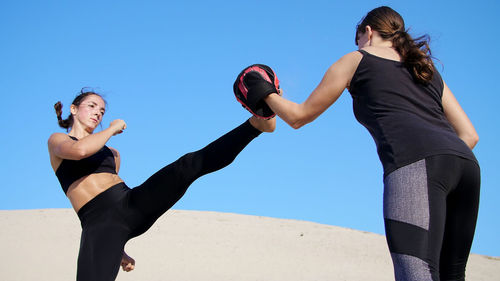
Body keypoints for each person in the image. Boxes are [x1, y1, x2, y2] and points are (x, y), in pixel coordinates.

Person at [250, 6, 480, 281]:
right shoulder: (425, 68)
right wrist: (444, 159)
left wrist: (264, 92)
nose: (357, 45)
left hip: (416, 163)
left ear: (367, 33)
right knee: (452, 275)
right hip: (467, 168)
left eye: (357, 39)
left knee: (416, 273)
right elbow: (470, 135)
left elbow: (299, 116)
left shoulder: (356, 60)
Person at [48, 89, 276, 281]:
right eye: (92, 106)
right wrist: (111, 128)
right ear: (74, 109)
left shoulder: (112, 154)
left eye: (102, 110)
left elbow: (111, 192)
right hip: (99, 225)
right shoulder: (58, 140)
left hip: (130, 204)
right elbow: (80, 151)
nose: (98, 112)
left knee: (187, 166)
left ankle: (255, 126)